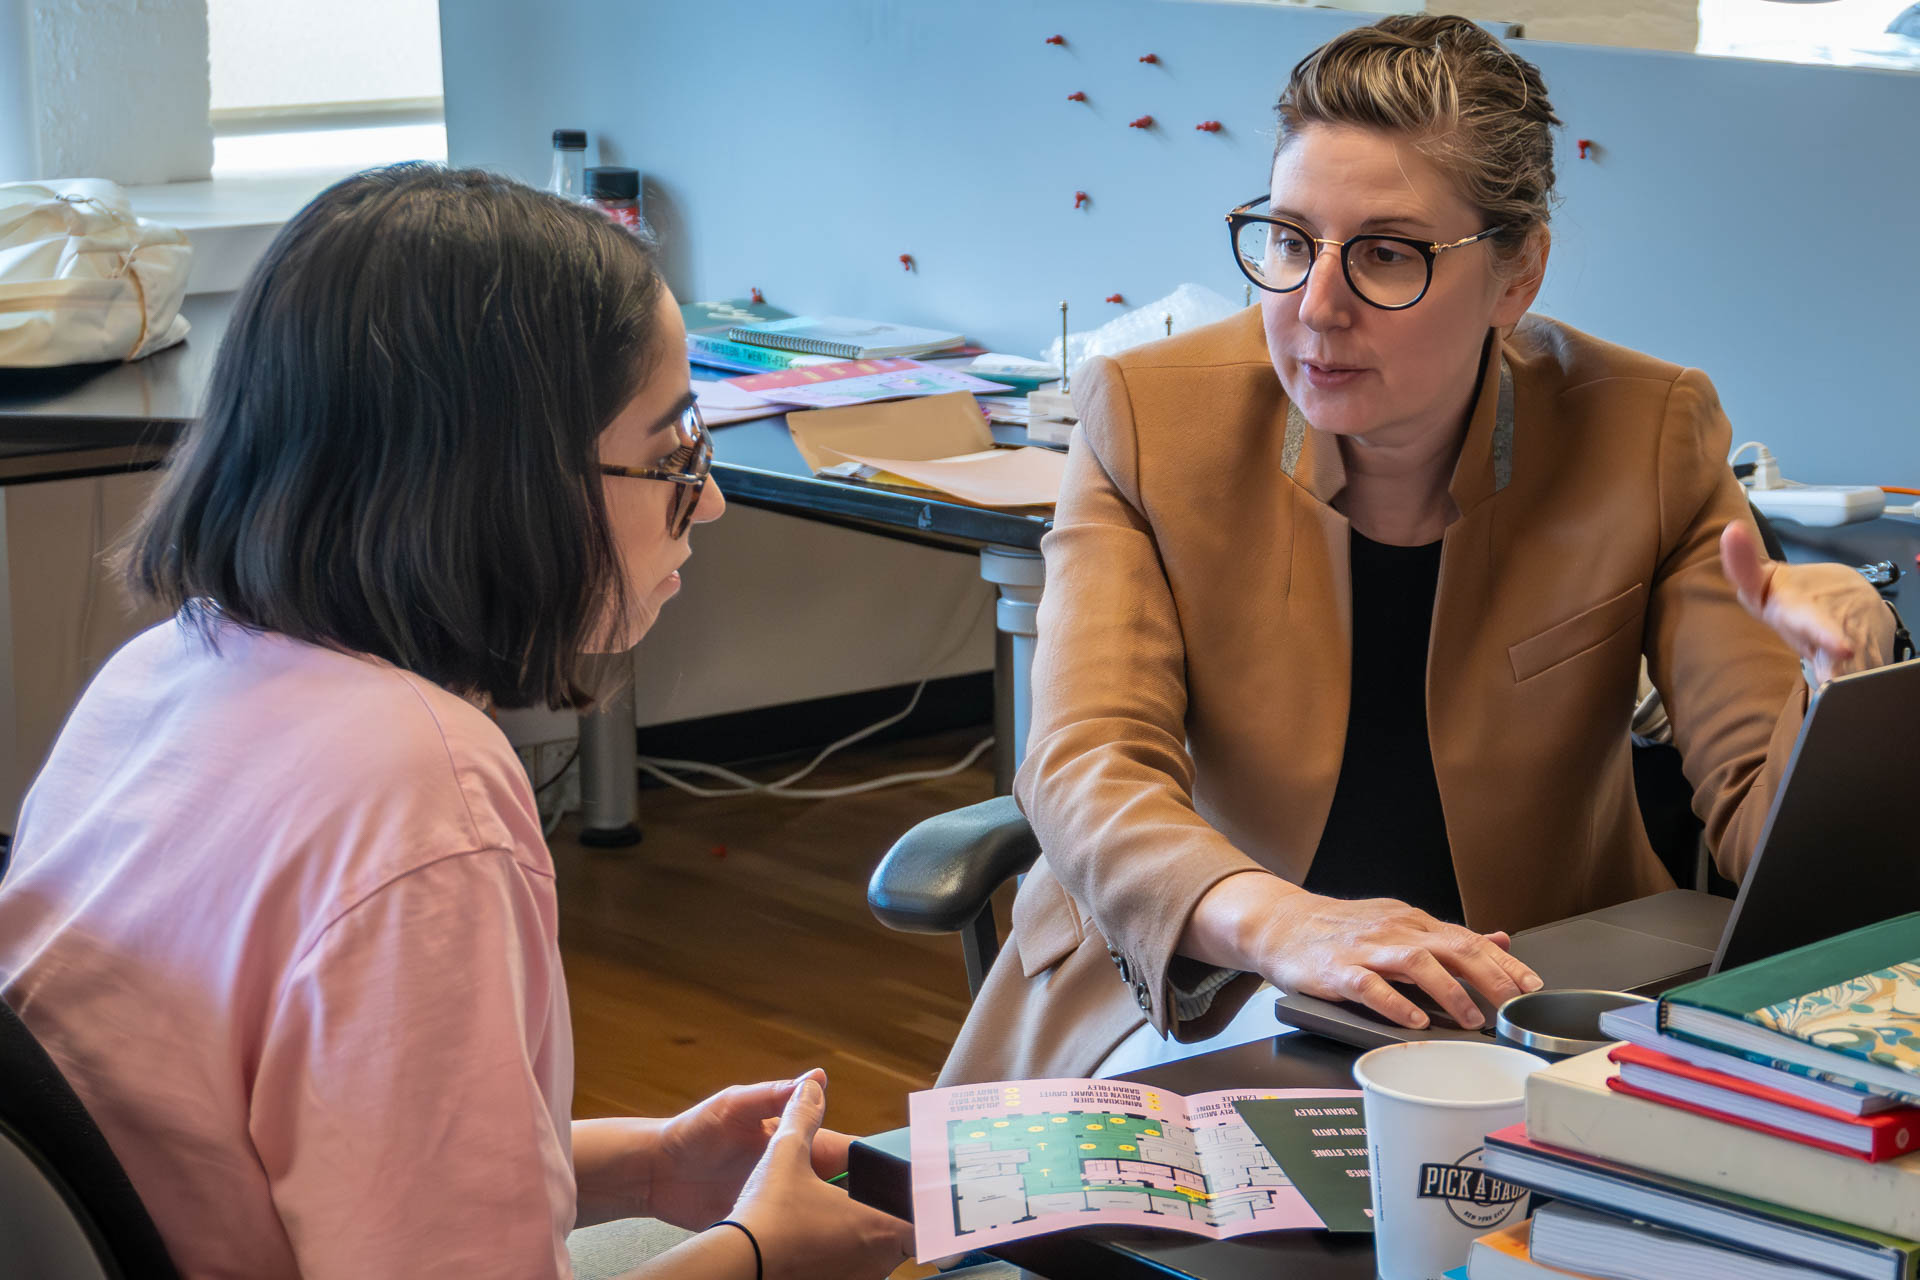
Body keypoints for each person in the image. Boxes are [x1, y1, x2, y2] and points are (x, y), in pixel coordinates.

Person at [940, 15, 1900, 1086]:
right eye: (1293, 240)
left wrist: (1840, 693)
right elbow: (1085, 762)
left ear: (1517, 274)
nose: (1314, 307)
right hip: (1200, 986)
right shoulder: (1146, 417)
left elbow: (1765, 837)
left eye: (1388, 254)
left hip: (1517, 1004)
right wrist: (1289, 926)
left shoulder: (1647, 433)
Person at [0, 165, 912, 1279]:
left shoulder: (165, 671)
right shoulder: (421, 794)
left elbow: (277, 1155)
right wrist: (762, 1256)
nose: (709, 501)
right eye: (676, 458)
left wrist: (651, 1163)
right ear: (500, 479)